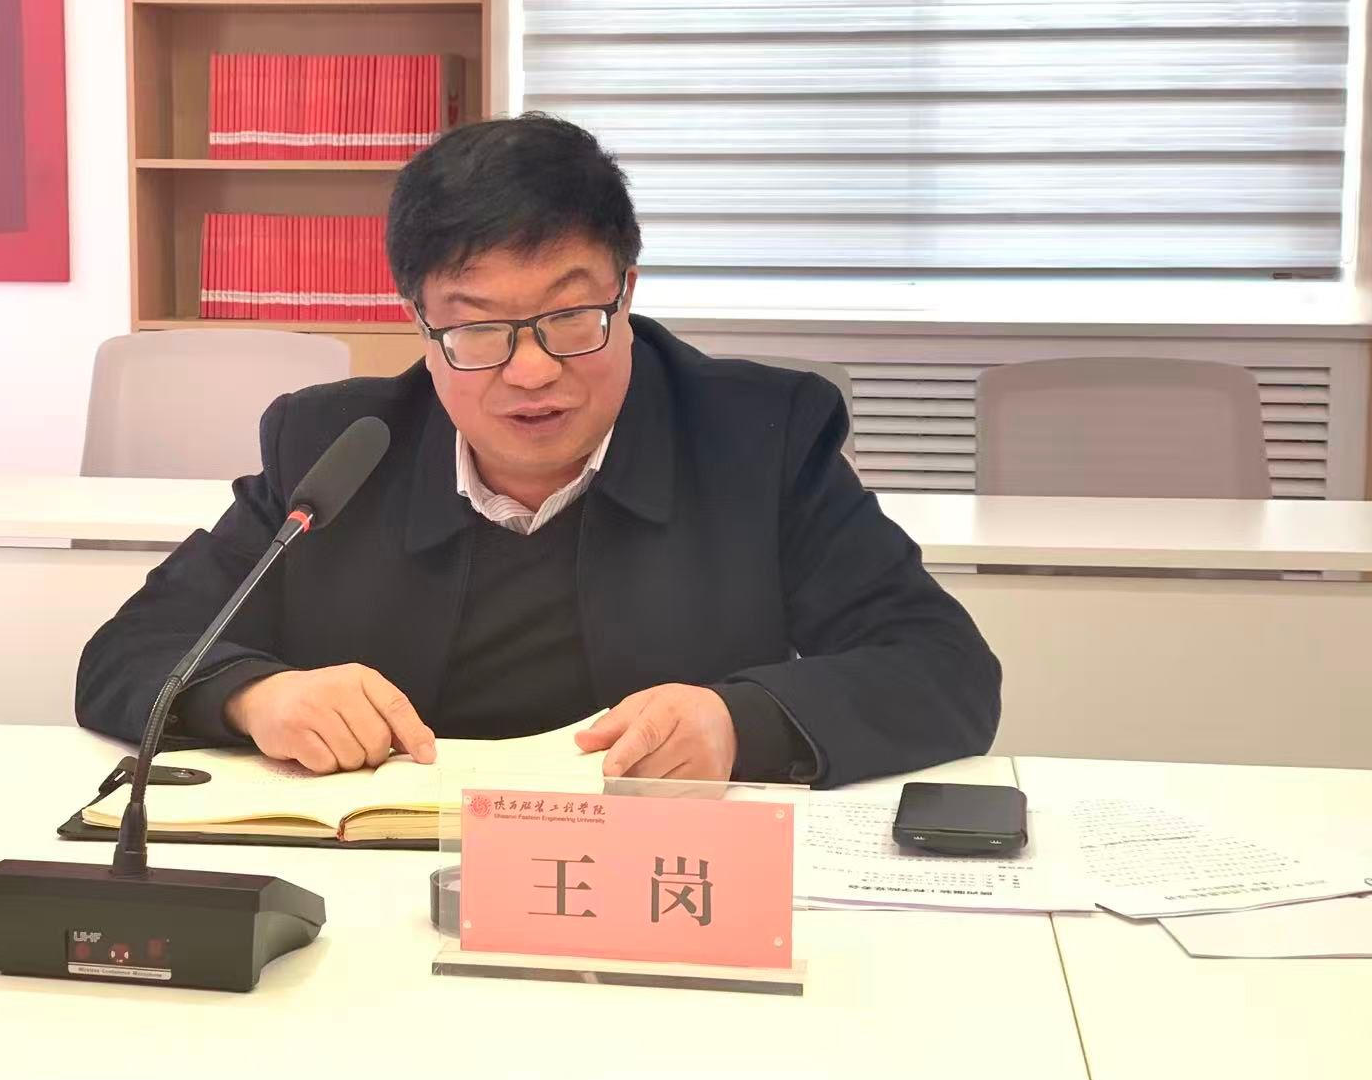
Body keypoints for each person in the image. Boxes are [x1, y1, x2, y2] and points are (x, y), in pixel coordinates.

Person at [76, 114, 1000, 788]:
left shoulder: (759, 437)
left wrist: (737, 722)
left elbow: (943, 667)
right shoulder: (336, 447)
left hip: (651, 872)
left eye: (570, 316)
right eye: (477, 328)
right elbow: (130, 651)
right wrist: (255, 697)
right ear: (420, 322)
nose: (531, 370)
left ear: (627, 290)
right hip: (382, 883)